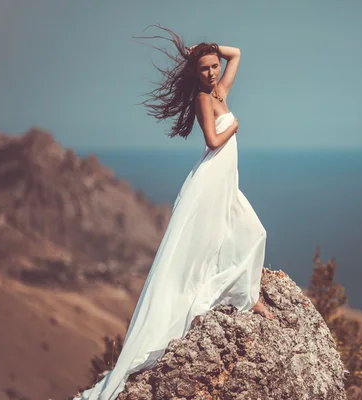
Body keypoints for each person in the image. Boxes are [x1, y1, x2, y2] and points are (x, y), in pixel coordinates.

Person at [74, 26, 273, 400]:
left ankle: (248, 295)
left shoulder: (220, 92)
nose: (212, 72)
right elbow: (213, 141)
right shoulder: (203, 98)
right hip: (211, 178)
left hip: (225, 179)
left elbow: (238, 53)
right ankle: (247, 297)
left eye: (214, 66)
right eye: (205, 68)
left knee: (244, 232)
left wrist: (203, 47)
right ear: (195, 74)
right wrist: (236, 127)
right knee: (232, 235)